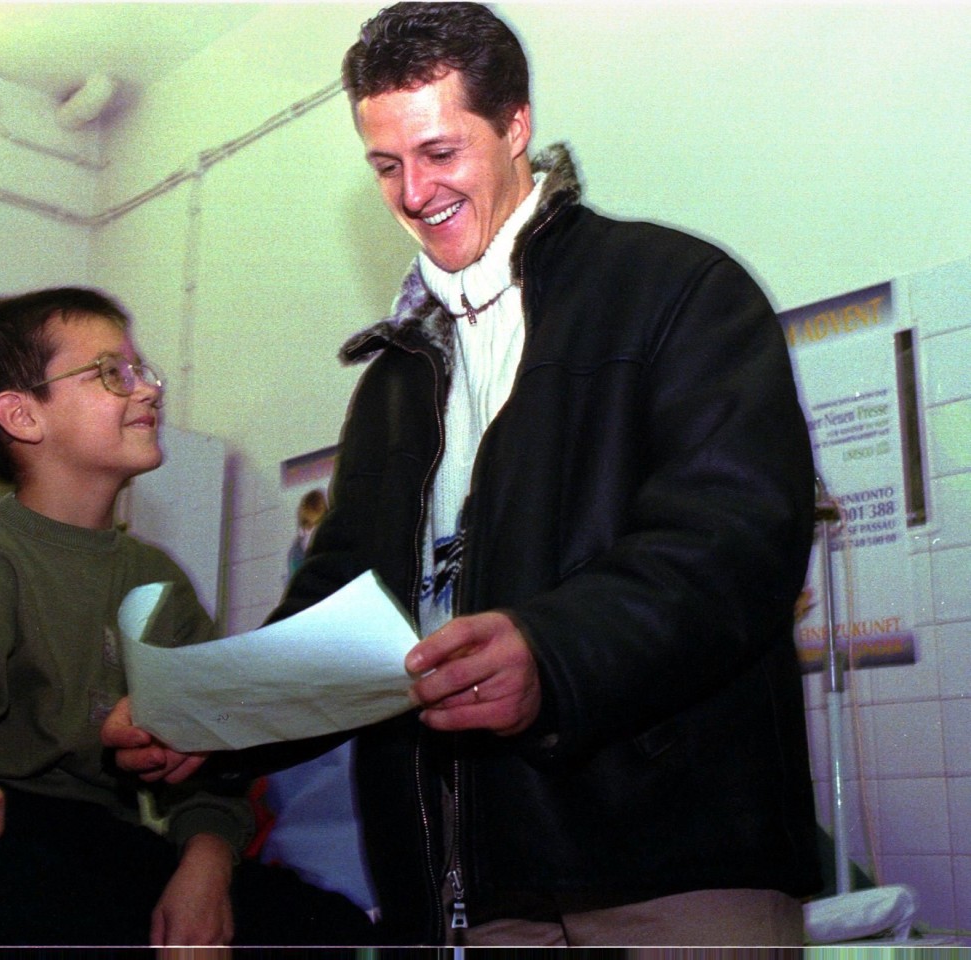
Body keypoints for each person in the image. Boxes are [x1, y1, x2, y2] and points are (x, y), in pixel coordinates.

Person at [108, 2, 820, 947]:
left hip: (668, 861)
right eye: (386, 165)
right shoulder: (397, 381)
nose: (413, 192)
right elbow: (346, 612)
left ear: (516, 125)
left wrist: (551, 653)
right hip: (467, 888)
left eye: (440, 153)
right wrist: (216, 722)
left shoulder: (676, 291)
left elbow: (735, 542)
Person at [0, 286, 372, 947]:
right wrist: (1, 819)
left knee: (327, 928)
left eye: (142, 369)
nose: (148, 389)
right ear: (22, 416)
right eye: (111, 373)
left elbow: (210, 775)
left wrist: (203, 870)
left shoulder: (158, 583)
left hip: (92, 839)